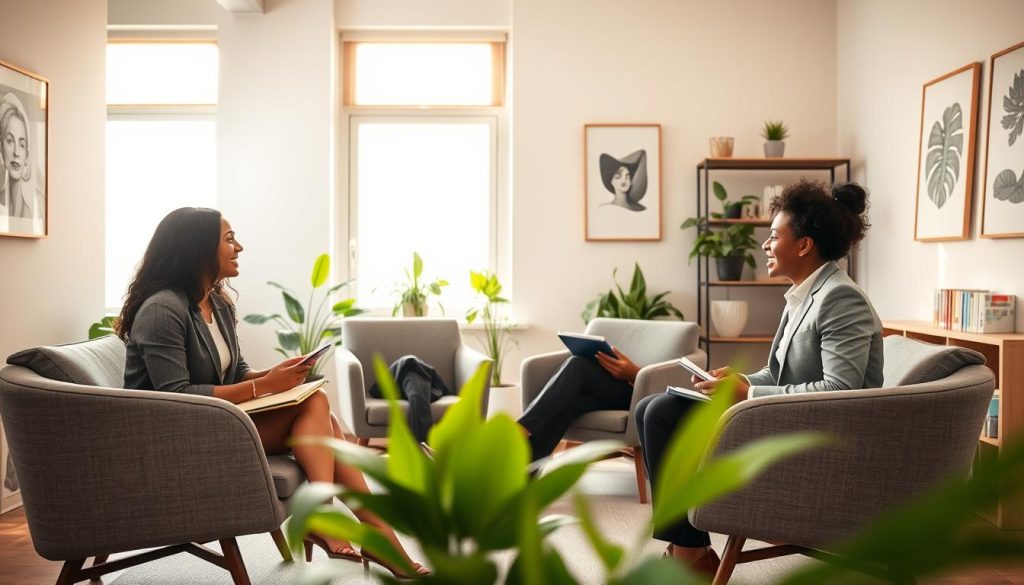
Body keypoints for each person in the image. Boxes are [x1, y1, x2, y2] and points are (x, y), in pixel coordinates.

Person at [117, 207, 428, 578]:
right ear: (197, 247)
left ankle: (364, 530)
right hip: (174, 438)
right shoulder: (162, 309)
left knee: (319, 409)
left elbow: (236, 371)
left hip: (210, 423)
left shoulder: (215, 302)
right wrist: (264, 387)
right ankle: (349, 526)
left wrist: (279, 375)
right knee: (318, 408)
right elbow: (178, 395)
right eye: (229, 239)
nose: (240, 247)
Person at [636, 180, 882, 576]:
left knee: (662, 413)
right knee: (651, 407)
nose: (765, 246)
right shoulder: (804, 294)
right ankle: (689, 550)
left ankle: (690, 554)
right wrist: (738, 379)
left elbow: (842, 391)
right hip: (788, 419)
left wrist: (748, 391)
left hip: (825, 439)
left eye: (773, 236)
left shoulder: (840, 298)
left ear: (803, 245)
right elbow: (779, 372)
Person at [518, 345, 642, 461]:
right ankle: (527, 470)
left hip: (640, 392)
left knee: (577, 364)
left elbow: (661, 381)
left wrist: (634, 373)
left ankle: (522, 428)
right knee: (569, 405)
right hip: (612, 389)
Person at [0, 93, 35, 219]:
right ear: (1, 148)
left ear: (27, 156)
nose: (16, 152)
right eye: (10, 141)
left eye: (21, 144)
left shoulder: (31, 215)